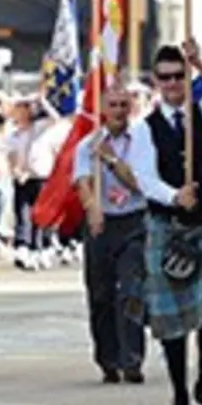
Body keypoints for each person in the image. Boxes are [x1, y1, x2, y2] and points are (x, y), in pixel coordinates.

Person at [136, 44, 202, 405]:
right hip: (169, 225)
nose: (173, 83)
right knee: (172, 315)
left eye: (180, 76)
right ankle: (179, 389)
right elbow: (145, 178)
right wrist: (175, 196)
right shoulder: (144, 129)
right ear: (155, 81)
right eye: (165, 77)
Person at [73, 83, 152, 384]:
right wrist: (92, 208)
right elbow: (82, 182)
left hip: (133, 221)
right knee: (101, 293)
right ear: (103, 110)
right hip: (102, 224)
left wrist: (110, 159)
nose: (118, 111)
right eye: (113, 105)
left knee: (131, 291)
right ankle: (107, 358)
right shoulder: (87, 145)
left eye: (123, 105)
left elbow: (138, 183)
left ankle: (132, 358)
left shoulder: (140, 143)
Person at [5, 95, 54, 271]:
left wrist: (42, 101)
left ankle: (40, 247)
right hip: (23, 178)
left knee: (40, 215)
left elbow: (55, 118)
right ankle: (23, 247)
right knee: (23, 213)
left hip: (40, 176)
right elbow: (11, 156)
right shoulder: (13, 134)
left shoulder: (39, 128)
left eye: (25, 108)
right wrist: (16, 172)